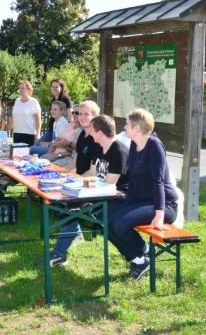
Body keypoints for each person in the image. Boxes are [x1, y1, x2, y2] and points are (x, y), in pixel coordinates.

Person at [105, 108, 179, 280]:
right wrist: (120, 197)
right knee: (105, 219)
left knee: (120, 224)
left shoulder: (154, 146)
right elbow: (132, 178)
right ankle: (138, 259)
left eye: (127, 124)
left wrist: (159, 216)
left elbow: (158, 182)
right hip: (141, 200)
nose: (124, 127)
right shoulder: (134, 144)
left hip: (164, 205)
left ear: (137, 127)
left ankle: (142, 252)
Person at [49, 114, 129, 267]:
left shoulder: (119, 151)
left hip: (115, 198)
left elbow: (109, 185)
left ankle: (59, 254)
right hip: (97, 192)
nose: (89, 133)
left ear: (99, 133)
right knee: (69, 202)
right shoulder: (99, 147)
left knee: (73, 207)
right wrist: (71, 182)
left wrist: (83, 190)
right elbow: (91, 173)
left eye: (92, 130)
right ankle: (60, 252)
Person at [29, 78, 72, 156]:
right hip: (52, 129)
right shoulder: (53, 99)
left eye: (56, 87)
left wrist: (49, 145)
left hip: (59, 134)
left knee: (34, 148)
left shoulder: (66, 99)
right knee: (37, 144)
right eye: (52, 86)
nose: (54, 88)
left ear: (61, 88)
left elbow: (70, 116)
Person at [11, 79, 41, 146]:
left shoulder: (34, 102)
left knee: (28, 155)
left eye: (23, 88)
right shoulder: (17, 101)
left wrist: (38, 134)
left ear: (28, 89)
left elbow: (38, 120)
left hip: (29, 134)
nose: (21, 90)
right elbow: (14, 116)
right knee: (17, 155)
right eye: (20, 88)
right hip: (17, 133)